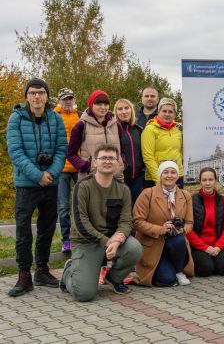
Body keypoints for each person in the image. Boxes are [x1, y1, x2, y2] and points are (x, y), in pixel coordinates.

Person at [6, 78, 67, 297]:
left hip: (51, 182)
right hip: (26, 184)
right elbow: (16, 152)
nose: (37, 96)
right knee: (23, 230)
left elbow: (62, 149)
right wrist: (37, 175)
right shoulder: (16, 119)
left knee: (47, 228)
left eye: (41, 92)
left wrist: (51, 173)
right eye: (32, 93)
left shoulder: (56, 119)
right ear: (27, 96)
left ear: (47, 96)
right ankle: (24, 275)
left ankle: (41, 269)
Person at [59, 144, 143, 301]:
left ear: (118, 163)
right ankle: (68, 272)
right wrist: (107, 241)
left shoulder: (123, 189)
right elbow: (80, 223)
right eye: (103, 158)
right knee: (83, 294)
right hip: (86, 241)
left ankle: (114, 278)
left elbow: (126, 221)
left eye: (112, 158)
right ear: (94, 162)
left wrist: (117, 241)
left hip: (111, 242)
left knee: (135, 248)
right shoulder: (82, 187)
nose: (108, 161)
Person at [134, 161, 195, 286]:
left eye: (173, 172)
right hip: (153, 243)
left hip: (175, 243)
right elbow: (137, 222)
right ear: (160, 175)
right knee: (166, 279)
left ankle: (178, 271)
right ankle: (163, 268)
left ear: (177, 176)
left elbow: (189, 223)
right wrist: (160, 229)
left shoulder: (186, 195)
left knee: (179, 240)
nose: (169, 175)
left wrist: (182, 230)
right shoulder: (147, 194)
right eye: (165, 172)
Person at [67, 89, 125, 180]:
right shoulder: (81, 125)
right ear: (91, 105)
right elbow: (70, 154)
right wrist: (86, 166)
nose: (103, 107)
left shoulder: (116, 125)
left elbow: (122, 150)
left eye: (106, 104)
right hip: (91, 179)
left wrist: (122, 164)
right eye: (99, 104)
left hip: (116, 178)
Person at [187, 167, 224, 277]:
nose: (207, 183)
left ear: (215, 181)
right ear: (200, 182)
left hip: (218, 245)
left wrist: (218, 247)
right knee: (206, 269)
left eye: (210, 180)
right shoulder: (192, 201)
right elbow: (188, 229)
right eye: (204, 180)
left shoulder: (222, 200)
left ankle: (215, 260)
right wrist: (205, 248)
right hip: (200, 246)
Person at [53, 87, 80, 254]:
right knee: (63, 206)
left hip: (78, 166)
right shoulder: (54, 116)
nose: (67, 101)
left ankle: (82, 237)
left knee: (81, 205)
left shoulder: (81, 115)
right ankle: (66, 240)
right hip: (62, 167)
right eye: (64, 98)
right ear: (59, 100)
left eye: (70, 98)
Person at [141, 97, 184, 188]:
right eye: (164, 111)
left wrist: (180, 173)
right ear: (158, 112)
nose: (167, 114)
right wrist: (158, 179)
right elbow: (148, 157)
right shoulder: (150, 129)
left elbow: (179, 153)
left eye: (170, 112)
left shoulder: (177, 131)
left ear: (175, 114)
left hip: (177, 177)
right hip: (157, 179)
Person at [114, 98, 145, 206]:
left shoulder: (138, 130)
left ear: (131, 110)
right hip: (122, 177)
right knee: (124, 209)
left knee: (137, 208)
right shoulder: (114, 130)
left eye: (126, 108)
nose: (124, 111)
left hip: (138, 177)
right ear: (116, 112)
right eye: (120, 109)